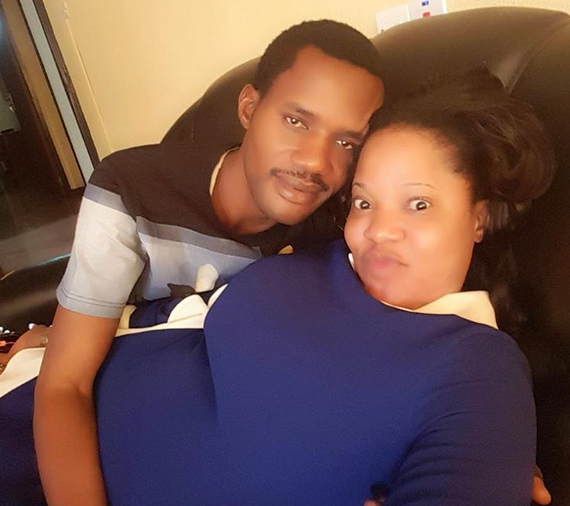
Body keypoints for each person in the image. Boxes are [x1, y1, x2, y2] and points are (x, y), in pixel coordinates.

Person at [87, 67, 554, 505]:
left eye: (418, 204)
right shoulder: (317, 253)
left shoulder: (478, 370)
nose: (379, 230)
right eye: (364, 202)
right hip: (65, 398)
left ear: (479, 217)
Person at [29, 19, 384, 506]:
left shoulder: (337, 235)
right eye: (297, 121)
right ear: (249, 108)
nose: (315, 163)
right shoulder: (132, 190)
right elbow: (66, 383)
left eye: (346, 142)